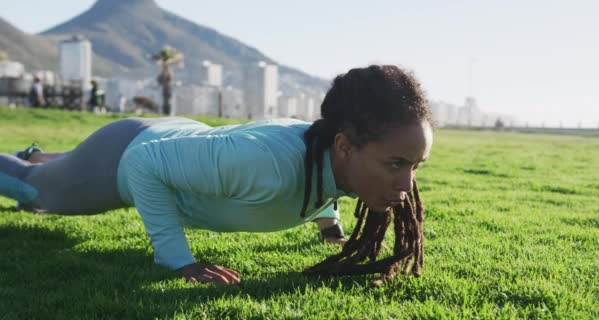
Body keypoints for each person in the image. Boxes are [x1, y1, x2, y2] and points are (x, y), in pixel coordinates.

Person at [0, 65, 433, 286]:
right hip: (126, 156)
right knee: (36, 192)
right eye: (395, 163)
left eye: (414, 166)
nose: (406, 184)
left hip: (174, 139)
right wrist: (179, 261)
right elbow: (143, 165)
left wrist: (330, 228)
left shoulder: (329, 152)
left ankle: (40, 156)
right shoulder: (269, 166)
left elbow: (324, 176)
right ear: (345, 145)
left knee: (52, 171)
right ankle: (29, 165)